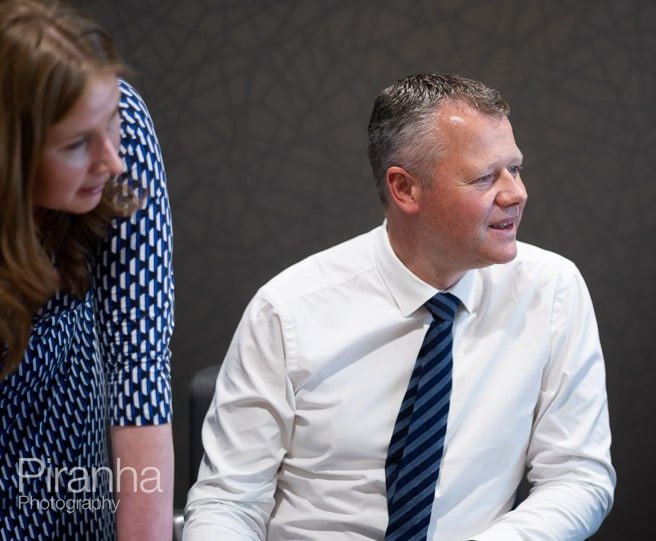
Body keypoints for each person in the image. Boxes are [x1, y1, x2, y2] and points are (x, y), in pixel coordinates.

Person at [183, 73, 615, 540]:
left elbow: (577, 476)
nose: (515, 193)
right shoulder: (287, 311)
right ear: (405, 189)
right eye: (486, 177)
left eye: (516, 168)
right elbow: (227, 501)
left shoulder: (550, 290)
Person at [0, 1, 174, 539]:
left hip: (65, 454)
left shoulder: (112, 116)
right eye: (77, 144)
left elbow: (138, 365)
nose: (113, 160)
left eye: (112, 125)